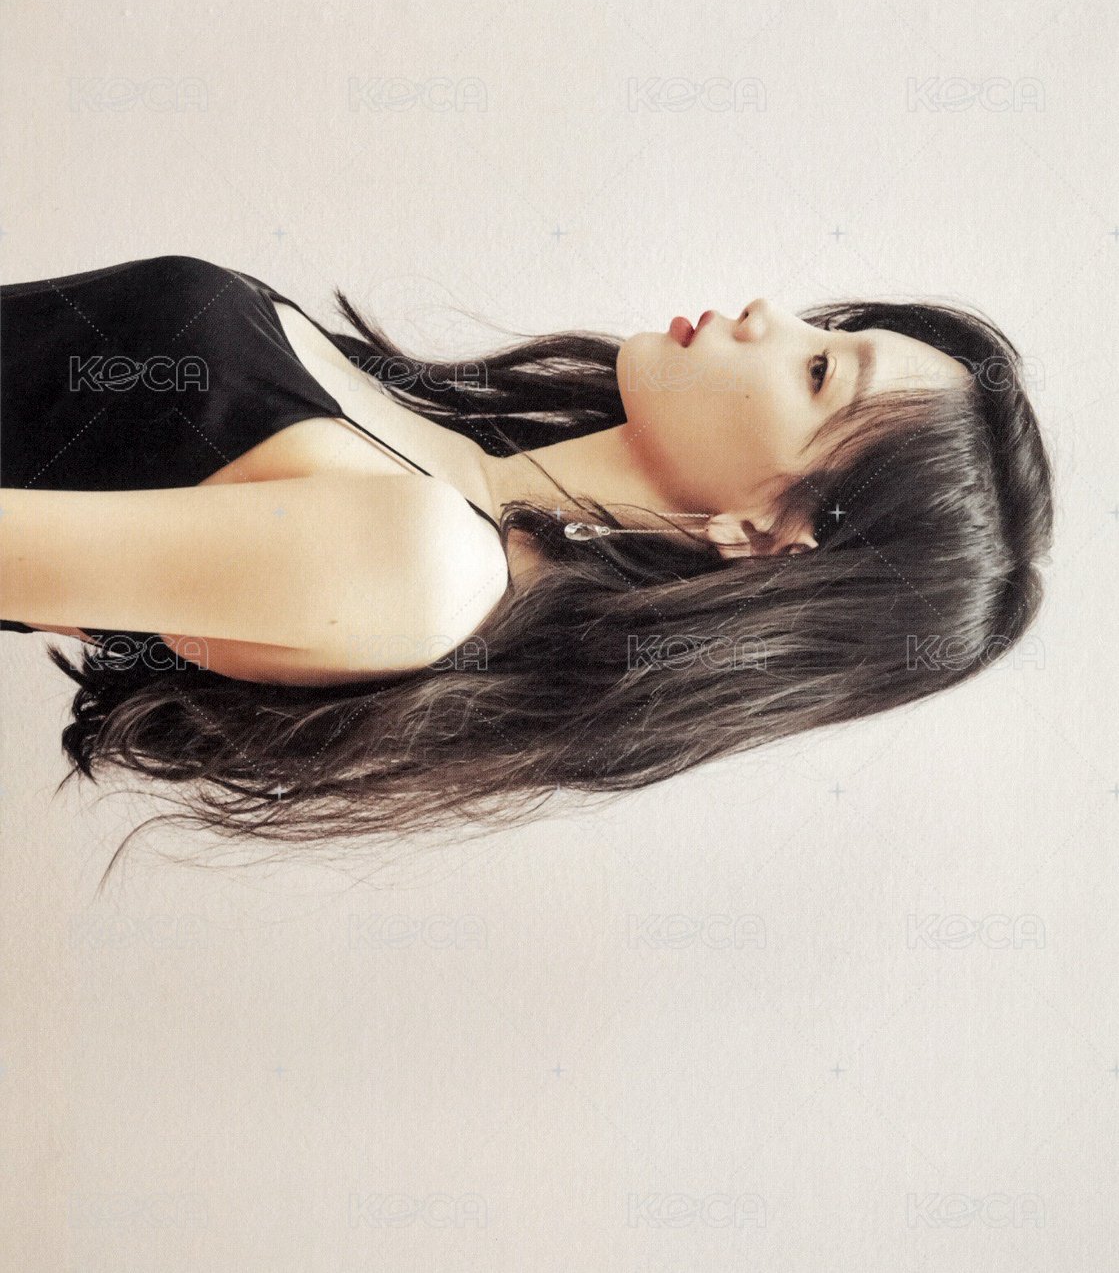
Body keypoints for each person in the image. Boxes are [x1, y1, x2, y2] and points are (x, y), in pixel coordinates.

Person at [0, 255, 1054, 862]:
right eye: (821, 326)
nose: (769, 315)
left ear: (765, 538)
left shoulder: (423, 564)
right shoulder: (439, 438)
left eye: (819, 369)